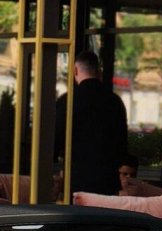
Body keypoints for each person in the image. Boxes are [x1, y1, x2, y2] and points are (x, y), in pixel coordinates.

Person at [55, 50, 129, 195]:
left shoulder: (67, 101)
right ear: (98, 71)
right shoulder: (114, 102)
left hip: (75, 180)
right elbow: (122, 144)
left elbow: (55, 140)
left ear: (75, 71)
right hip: (107, 181)